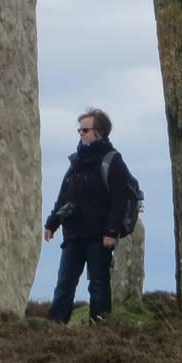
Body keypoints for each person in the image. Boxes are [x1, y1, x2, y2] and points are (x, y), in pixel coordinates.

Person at [43, 107, 137, 324]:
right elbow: (64, 195)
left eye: (85, 130)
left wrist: (111, 232)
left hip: (99, 236)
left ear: (100, 132)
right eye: (79, 130)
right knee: (65, 283)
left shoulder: (113, 161)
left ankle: (100, 326)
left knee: (98, 284)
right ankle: (54, 328)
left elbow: (119, 200)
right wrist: (52, 223)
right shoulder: (76, 161)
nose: (81, 134)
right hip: (74, 233)